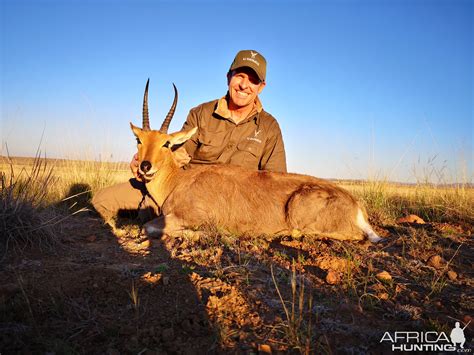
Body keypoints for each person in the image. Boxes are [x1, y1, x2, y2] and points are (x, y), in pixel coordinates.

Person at [92, 49, 287, 223]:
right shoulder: (201, 113)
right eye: (240, 76)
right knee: (99, 202)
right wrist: (148, 161)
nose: (244, 85)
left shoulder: (269, 127)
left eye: (253, 80)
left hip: (229, 203)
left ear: (261, 87)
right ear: (229, 77)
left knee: (154, 217)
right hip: (181, 189)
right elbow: (177, 155)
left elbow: (276, 182)